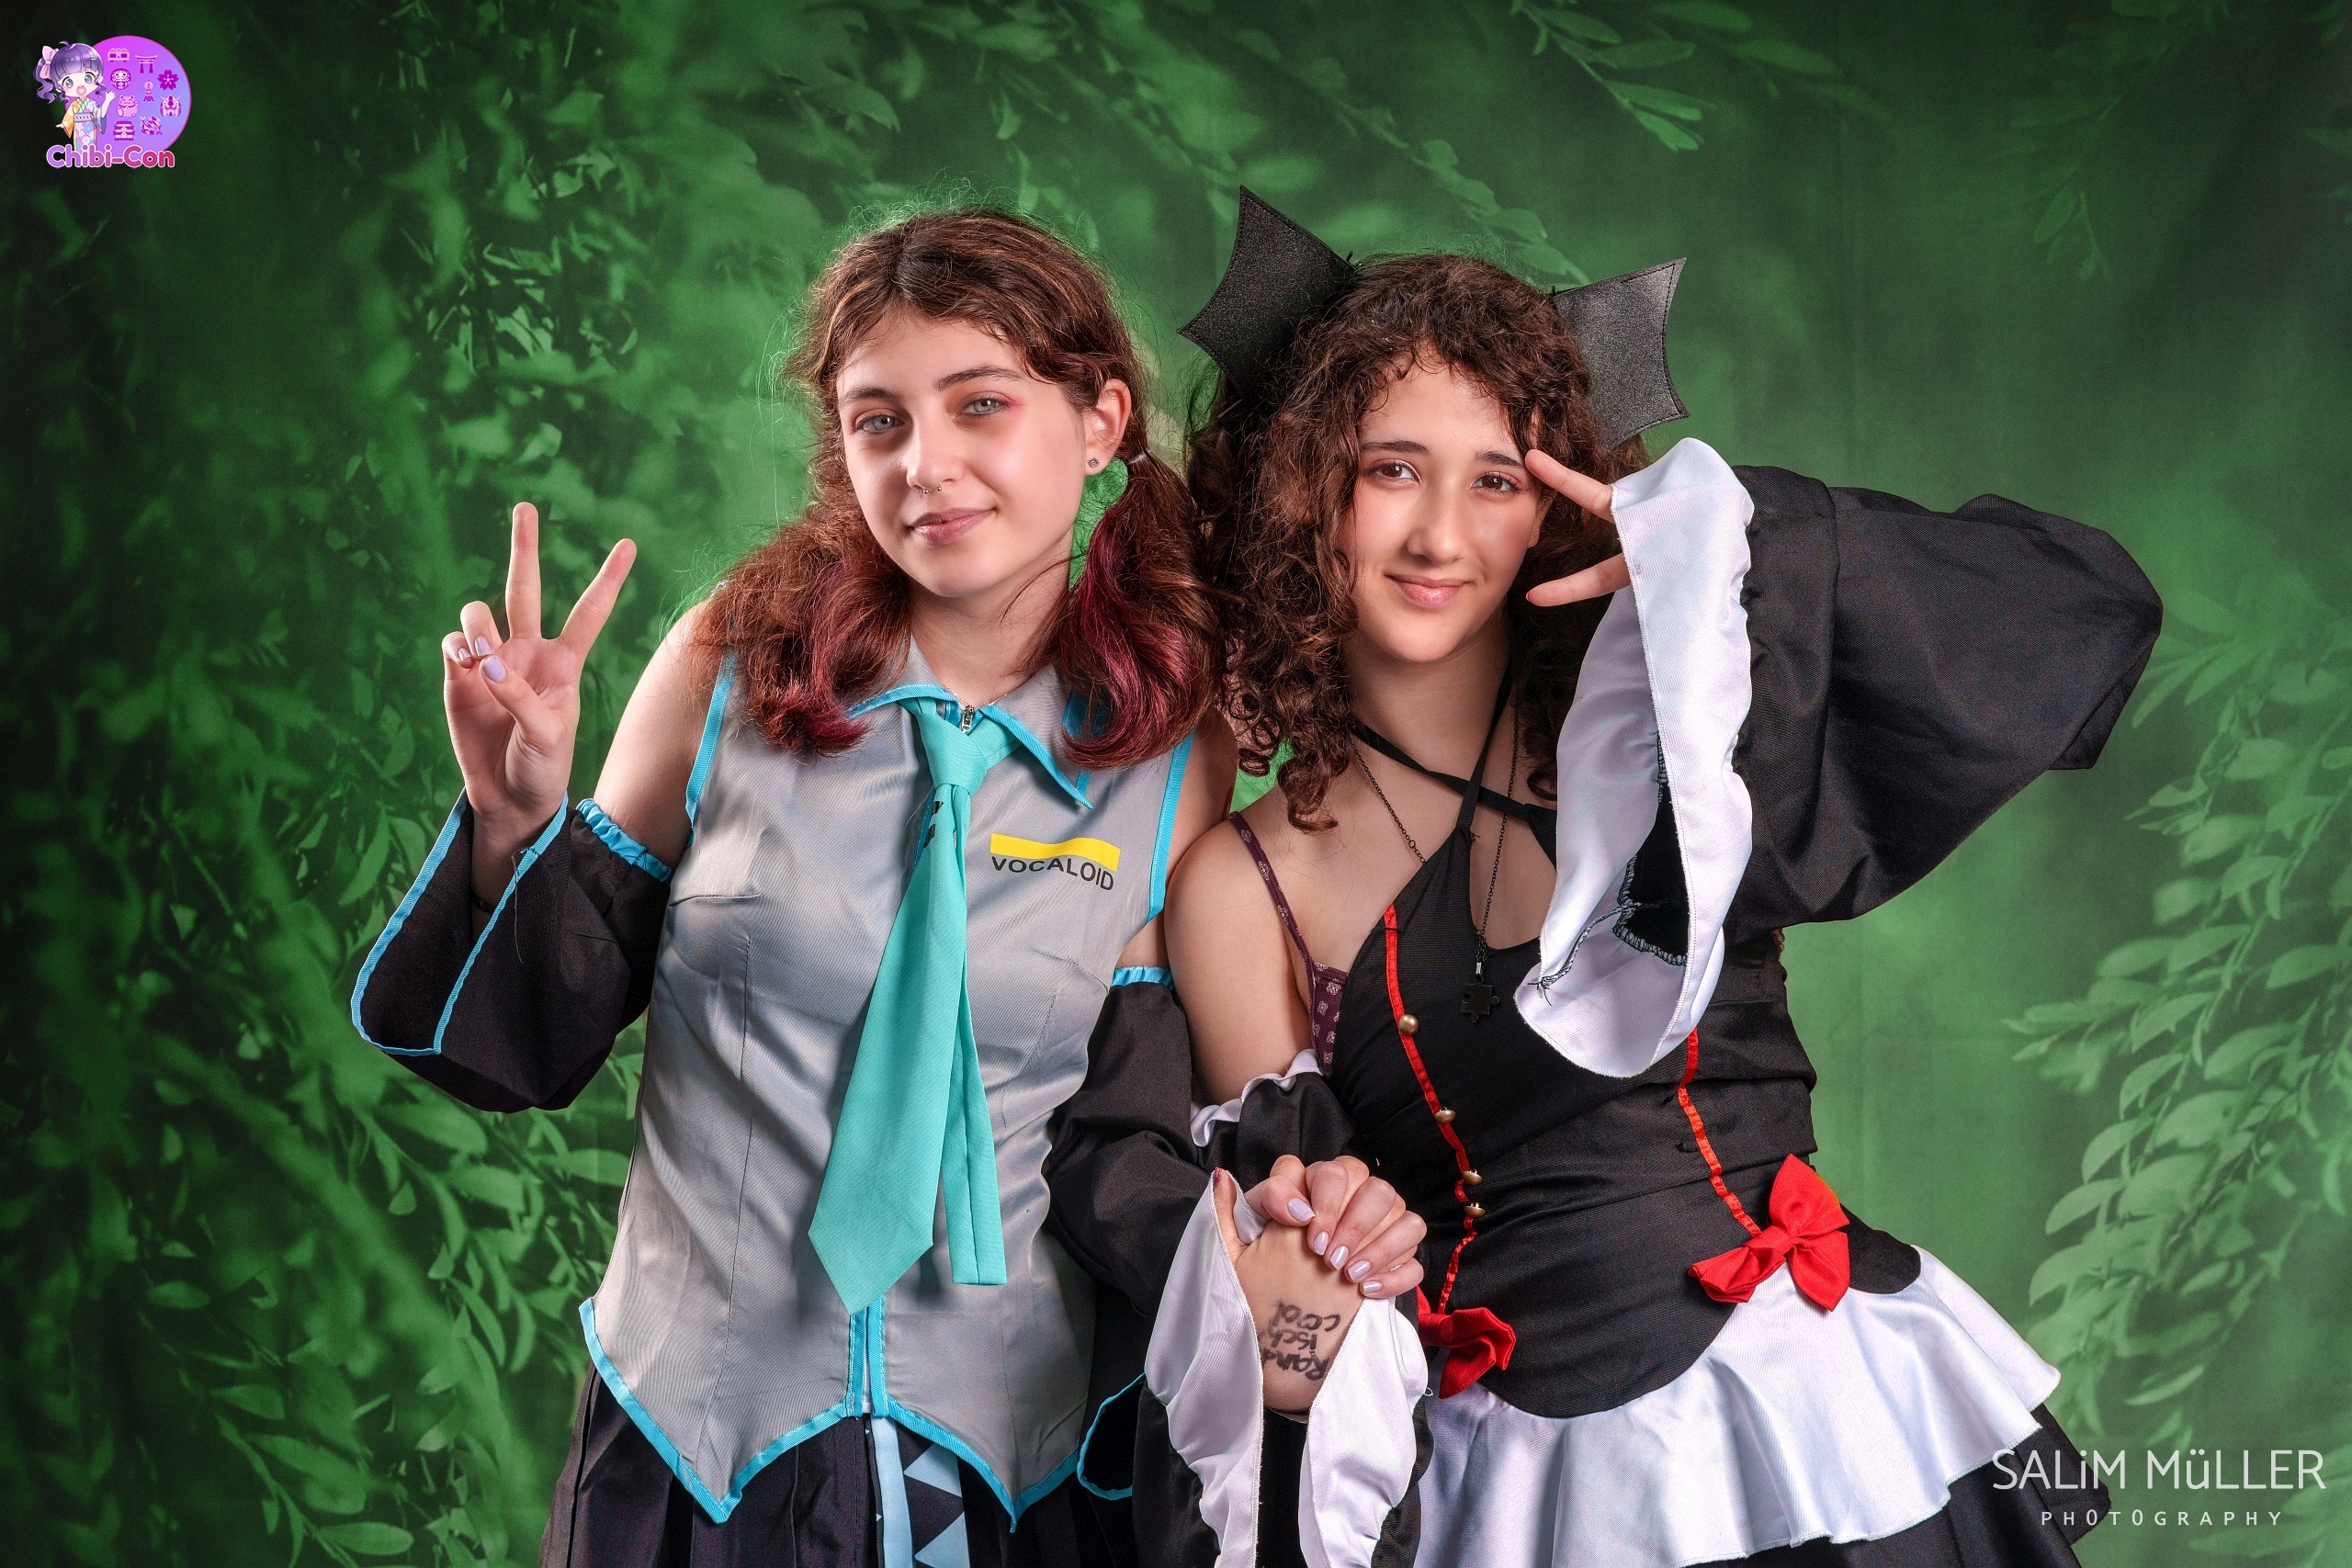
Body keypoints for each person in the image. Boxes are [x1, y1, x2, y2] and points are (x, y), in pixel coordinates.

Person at [1051, 193, 2162, 1567]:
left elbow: (2088, 615)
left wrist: (1720, 574)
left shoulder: (1674, 731)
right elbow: (1304, 1275)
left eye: (1497, 480)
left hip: (1808, 1407)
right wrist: (1311, 1233)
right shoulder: (1241, 886)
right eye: (1391, 470)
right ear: (1302, 492)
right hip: (1522, 1490)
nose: (1440, 535)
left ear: (1553, 509)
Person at [349, 206, 1235, 1568]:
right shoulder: (733, 664)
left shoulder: (1169, 752)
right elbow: (531, 1041)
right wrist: (514, 820)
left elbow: (1129, 1137)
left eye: (981, 404)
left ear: (1101, 419)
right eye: (880, 422)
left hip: (1003, 1473)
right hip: (692, 1452)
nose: (927, 466)